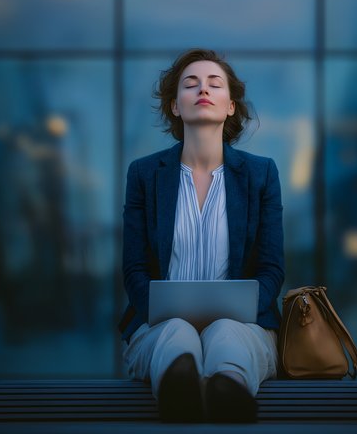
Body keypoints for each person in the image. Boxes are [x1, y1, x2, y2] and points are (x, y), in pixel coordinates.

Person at [119, 48, 284, 423]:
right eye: (190, 84)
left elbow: (272, 269)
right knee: (176, 333)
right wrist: (161, 313)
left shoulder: (261, 174)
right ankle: (182, 386)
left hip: (245, 326)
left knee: (227, 333)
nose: (202, 90)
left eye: (214, 83)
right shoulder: (145, 175)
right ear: (175, 106)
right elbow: (134, 270)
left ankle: (229, 390)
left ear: (230, 105)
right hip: (158, 326)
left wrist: (245, 312)